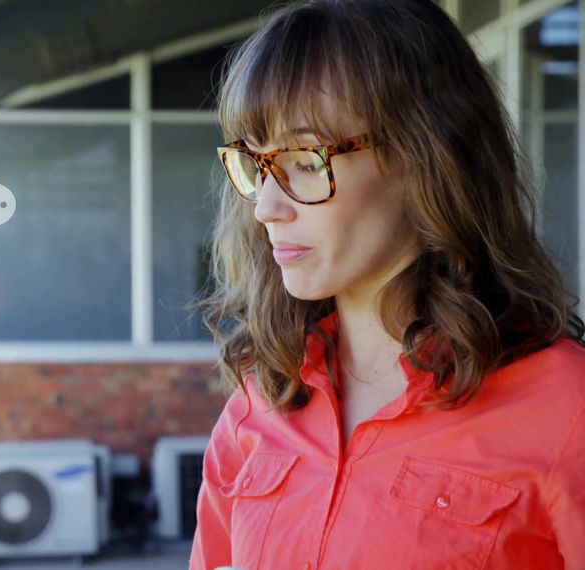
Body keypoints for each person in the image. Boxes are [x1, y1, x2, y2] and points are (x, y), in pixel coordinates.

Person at [192, 0, 585, 568]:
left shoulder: (566, 410)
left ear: (425, 156)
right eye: (257, 165)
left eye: (305, 160)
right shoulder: (260, 405)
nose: (267, 208)